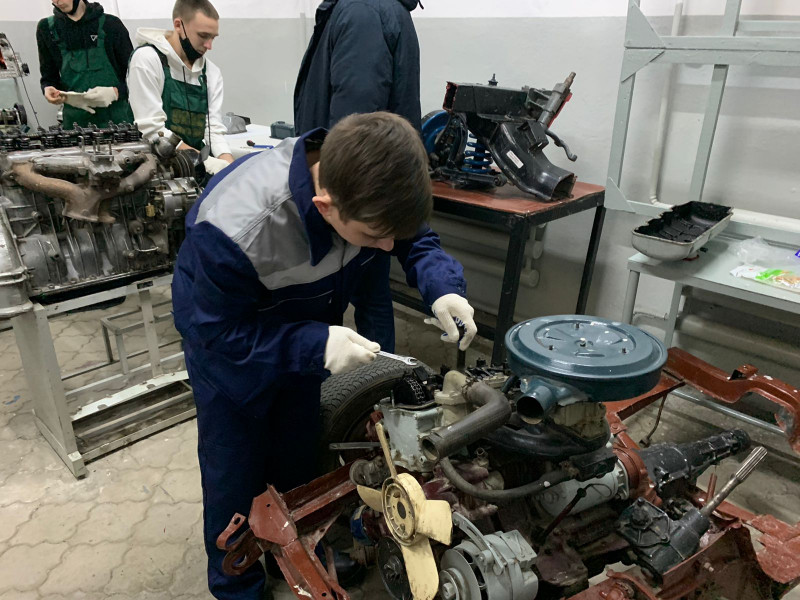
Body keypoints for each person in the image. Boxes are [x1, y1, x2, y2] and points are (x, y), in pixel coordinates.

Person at [172, 112, 477, 599]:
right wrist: (314, 344)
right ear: (325, 206)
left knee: (298, 458)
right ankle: (239, 587)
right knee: (235, 475)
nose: (386, 247)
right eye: (374, 236)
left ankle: (299, 552)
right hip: (230, 360)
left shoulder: (370, 183)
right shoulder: (234, 226)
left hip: (303, 343)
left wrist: (442, 286)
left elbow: (411, 236)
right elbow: (214, 331)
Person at [293, 0, 423, 354]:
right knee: (372, 293)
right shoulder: (371, 9)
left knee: (358, 295)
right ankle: (377, 376)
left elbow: (353, 132)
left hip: (353, 193)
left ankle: (371, 380)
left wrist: (326, 184)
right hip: (363, 190)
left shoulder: (363, 11)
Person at [127, 0, 233, 174]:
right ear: (178, 25)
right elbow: (153, 131)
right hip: (151, 170)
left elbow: (213, 129)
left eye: (213, 38)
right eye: (203, 35)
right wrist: (206, 162)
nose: (209, 46)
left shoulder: (211, 72)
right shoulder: (148, 60)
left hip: (195, 167)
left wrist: (229, 165)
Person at [36, 0, 134, 128]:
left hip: (117, 120)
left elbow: (135, 79)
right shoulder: (46, 29)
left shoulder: (111, 25)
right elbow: (49, 77)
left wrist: (115, 92)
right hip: (76, 124)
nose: (57, 1)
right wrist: (48, 89)